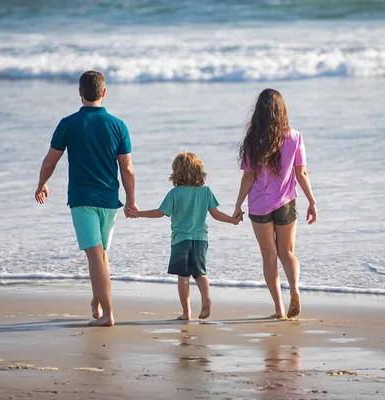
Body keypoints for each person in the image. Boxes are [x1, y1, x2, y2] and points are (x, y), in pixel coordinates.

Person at [35, 70, 137, 327]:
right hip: (109, 199)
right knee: (101, 256)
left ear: (80, 93)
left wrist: (42, 184)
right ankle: (98, 301)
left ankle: (108, 315)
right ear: (104, 93)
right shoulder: (118, 125)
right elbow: (127, 168)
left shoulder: (68, 123)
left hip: (82, 199)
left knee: (95, 256)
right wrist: (131, 200)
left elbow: (50, 161)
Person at [233, 88, 317, 320]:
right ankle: (295, 289)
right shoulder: (295, 137)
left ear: (258, 113)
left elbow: (248, 177)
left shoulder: (252, 141)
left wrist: (238, 205)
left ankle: (280, 310)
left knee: (269, 256)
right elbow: (302, 174)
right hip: (286, 203)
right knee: (287, 252)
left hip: (259, 206)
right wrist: (312, 201)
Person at [128, 151, 242, 321]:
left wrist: (139, 214)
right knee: (200, 274)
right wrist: (233, 221)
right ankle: (205, 298)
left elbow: (160, 213)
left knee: (183, 278)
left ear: (176, 172)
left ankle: (186, 313)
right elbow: (216, 214)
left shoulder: (175, 193)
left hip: (181, 240)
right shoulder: (206, 191)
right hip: (200, 240)